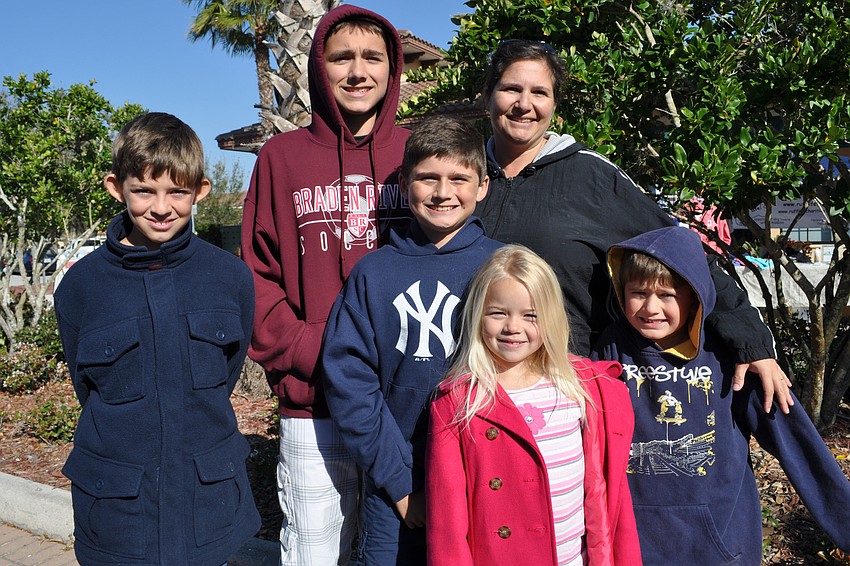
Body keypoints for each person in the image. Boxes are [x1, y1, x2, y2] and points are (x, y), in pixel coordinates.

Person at [475, 38, 793, 413]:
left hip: (563, 391)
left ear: (554, 106)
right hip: (471, 382)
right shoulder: (463, 173)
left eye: (539, 92)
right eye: (511, 88)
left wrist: (750, 342)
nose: (524, 104)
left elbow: (681, 253)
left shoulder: (589, 177)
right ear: (488, 95)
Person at [240, 5, 411, 564]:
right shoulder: (281, 158)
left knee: (405, 549)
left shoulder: (418, 154)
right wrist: (320, 354)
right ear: (319, 67)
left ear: (392, 70)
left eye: (372, 58)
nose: (358, 72)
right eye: (342, 58)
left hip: (406, 404)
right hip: (313, 407)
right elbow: (257, 279)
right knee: (316, 554)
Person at [54, 112, 260, 565]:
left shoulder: (230, 278)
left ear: (200, 191)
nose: (161, 207)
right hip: (119, 511)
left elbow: (226, 372)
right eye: (144, 190)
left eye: (177, 192)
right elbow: (85, 386)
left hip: (206, 504)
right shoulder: (81, 287)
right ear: (116, 187)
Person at [591, 226, 850, 565]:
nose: (650, 307)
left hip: (719, 547)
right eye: (638, 292)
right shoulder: (608, 349)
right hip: (632, 545)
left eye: (666, 295)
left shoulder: (734, 358)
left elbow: (798, 445)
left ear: (695, 297)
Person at [321, 115, 502, 565]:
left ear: (482, 185)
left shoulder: (505, 267)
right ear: (404, 184)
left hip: (487, 476)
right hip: (397, 483)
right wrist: (400, 484)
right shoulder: (374, 272)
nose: (443, 193)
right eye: (428, 178)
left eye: (459, 178)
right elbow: (349, 380)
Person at [427, 245, 641, 566]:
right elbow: (448, 527)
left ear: (551, 316)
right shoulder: (457, 402)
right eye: (498, 312)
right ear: (477, 314)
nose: (513, 327)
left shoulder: (583, 387)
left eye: (531, 315)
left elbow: (611, 500)